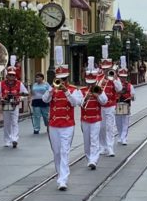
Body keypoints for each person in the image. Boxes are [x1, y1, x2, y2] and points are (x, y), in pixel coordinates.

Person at [44, 61, 83, 191]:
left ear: (67, 78)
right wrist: (50, 89)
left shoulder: (74, 89)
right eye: (59, 79)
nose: (61, 81)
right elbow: (44, 100)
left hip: (67, 124)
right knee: (56, 152)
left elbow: (76, 103)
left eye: (63, 79)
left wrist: (66, 92)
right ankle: (60, 175)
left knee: (64, 151)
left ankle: (63, 180)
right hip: (54, 124)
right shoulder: (52, 89)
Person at [79, 67, 109, 170]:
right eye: (89, 83)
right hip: (85, 119)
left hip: (96, 119)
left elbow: (104, 101)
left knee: (94, 139)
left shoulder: (99, 90)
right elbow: (79, 103)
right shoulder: (82, 91)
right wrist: (85, 98)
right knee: (86, 141)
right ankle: (89, 159)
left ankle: (94, 160)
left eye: (92, 83)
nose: (90, 85)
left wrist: (98, 95)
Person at [98, 59, 122, 158]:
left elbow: (119, 89)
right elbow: (95, 89)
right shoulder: (98, 78)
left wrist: (115, 79)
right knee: (101, 127)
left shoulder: (114, 78)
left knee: (110, 127)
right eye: (104, 69)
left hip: (111, 105)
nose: (106, 71)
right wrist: (101, 82)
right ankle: (103, 146)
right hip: (100, 106)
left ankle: (110, 147)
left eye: (107, 69)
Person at [0, 65, 28, 148]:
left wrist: (19, 98)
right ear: (7, 75)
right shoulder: (1, 83)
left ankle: (14, 139)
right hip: (6, 105)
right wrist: (1, 98)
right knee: (7, 123)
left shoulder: (19, 83)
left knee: (14, 122)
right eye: (10, 75)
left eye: (13, 75)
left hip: (14, 105)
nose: (11, 76)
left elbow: (26, 93)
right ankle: (7, 140)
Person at [115, 66, 134, 145]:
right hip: (117, 105)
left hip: (126, 105)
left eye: (124, 77)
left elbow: (133, 97)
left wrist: (132, 96)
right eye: (121, 77)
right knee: (118, 123)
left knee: (125, 123)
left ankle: (124, 138)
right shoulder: (116, 84)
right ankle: (120, 136)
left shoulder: (130, 85)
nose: (123, 79)